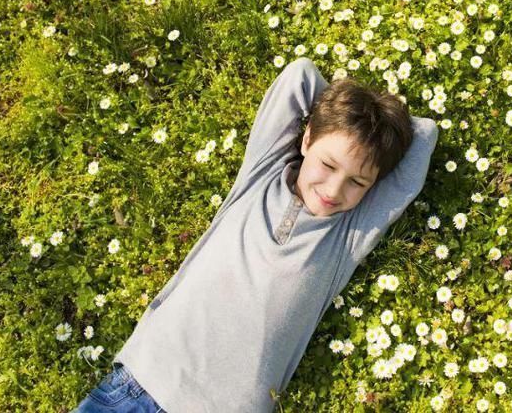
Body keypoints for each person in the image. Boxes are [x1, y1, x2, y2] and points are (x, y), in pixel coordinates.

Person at [72, 57, 439, 412]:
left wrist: (379, 131)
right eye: (328, 164)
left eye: (357, 181)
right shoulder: (260, 178)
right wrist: (348, 116)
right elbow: (301, 75)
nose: (334, 188)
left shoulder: (348, 233)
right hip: (139, 384)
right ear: (306, 139)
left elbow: (425, 135)